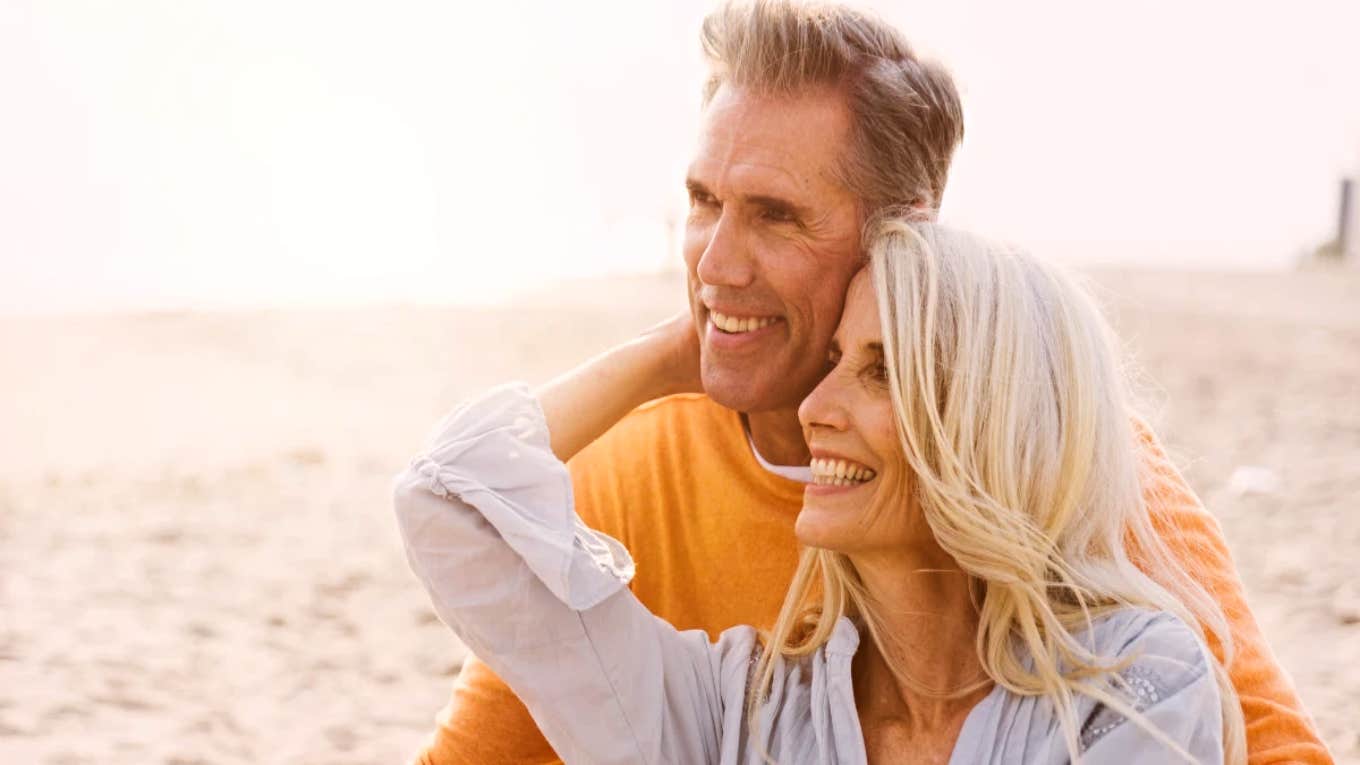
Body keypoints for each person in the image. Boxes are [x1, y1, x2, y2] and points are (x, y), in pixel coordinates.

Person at [407, 2, 1330, 763]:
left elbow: (1277, 747)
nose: (716, 263)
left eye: (775, 214)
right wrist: (675, 350)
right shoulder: (735, 670)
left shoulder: (1075, 464)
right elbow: (463, 584)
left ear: (906, 239)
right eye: (701, 202)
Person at [395, 220, 1243, 763]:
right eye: (832, 360)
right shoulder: (739, 707)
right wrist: (681, 351)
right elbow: (450, 496)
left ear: (987, 422)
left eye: (880, 372)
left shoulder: (1137, 683)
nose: (814, 409)